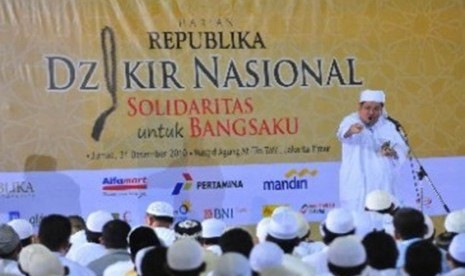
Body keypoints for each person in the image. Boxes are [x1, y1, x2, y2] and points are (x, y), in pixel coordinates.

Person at [337, 89, 409, 211]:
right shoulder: (351, 120)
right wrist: (351, 131)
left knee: (385, 219)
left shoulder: (389, 126)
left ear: (381, 109)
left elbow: (402, 147)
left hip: (383, 185)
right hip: (358, 185)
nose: (371, 112)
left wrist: (393, 152)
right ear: (360, 107)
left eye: (376, 109)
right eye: (367, 108)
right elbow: (342, 134)